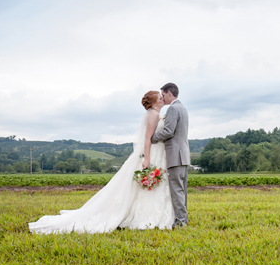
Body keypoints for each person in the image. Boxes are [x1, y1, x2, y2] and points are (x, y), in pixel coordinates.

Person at [29, 91, 175, 233]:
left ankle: (151, 212)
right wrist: (147, 159)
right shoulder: (154, 115)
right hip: (152, 153)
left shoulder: (156, 114)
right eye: (160, 98)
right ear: (154, 102)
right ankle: (144, 215)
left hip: (158, 153)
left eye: (163, 97)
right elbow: (147, 138)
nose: (163, 99)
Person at [151, 82, 190, 229]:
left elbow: (169, 131)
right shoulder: (183, 108)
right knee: (182, 190)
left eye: (162, 95)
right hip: (183, 156)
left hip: (175, 155)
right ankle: (184, 219)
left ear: (169, 93)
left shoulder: (173, 108)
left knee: (177, 190)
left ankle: (181, 222)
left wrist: (152, 138)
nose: (162, 98)